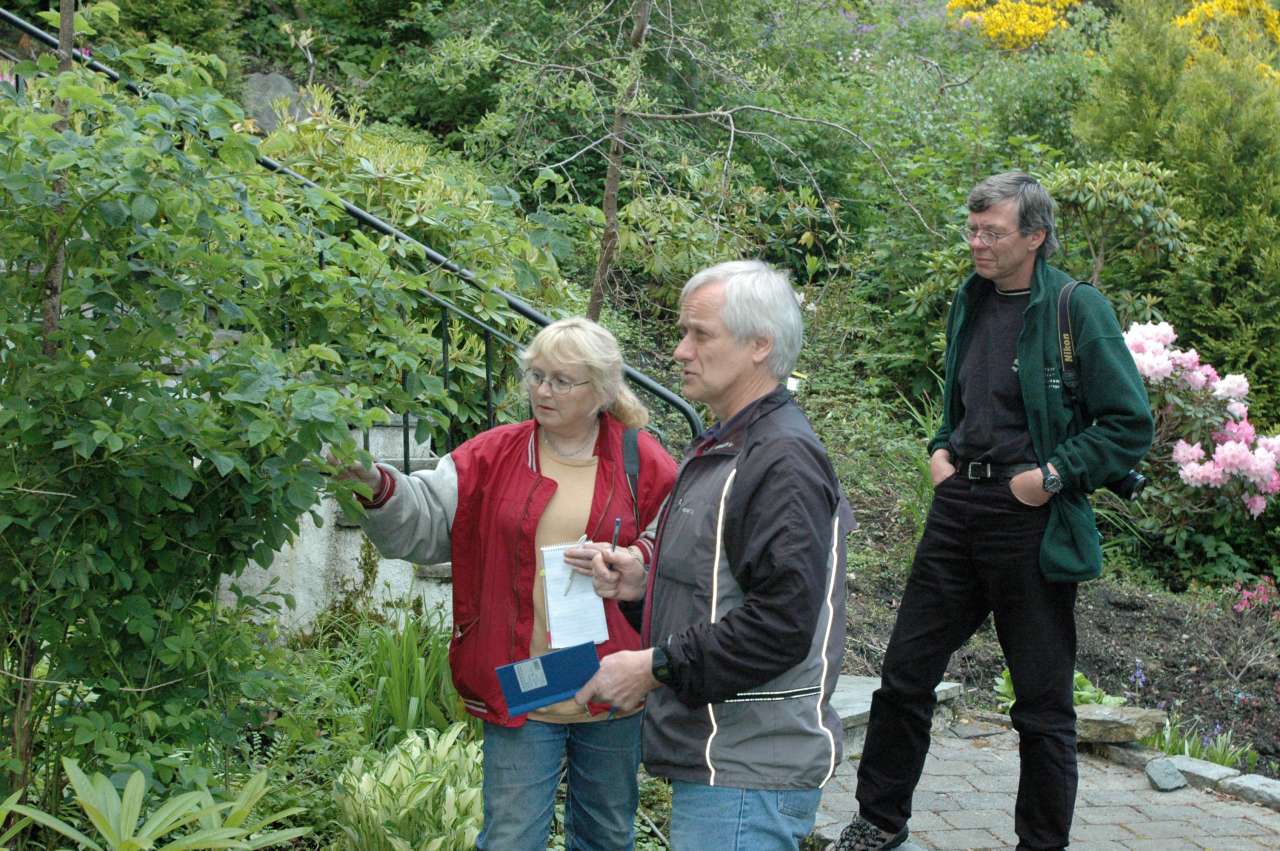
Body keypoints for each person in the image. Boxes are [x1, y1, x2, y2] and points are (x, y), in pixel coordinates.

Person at [835, 173, 1154, 851]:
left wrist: (1051, 476)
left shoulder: (1076, 306)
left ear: (1034, 236)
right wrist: (939, 449)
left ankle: (1041, 843)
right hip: (958, 508)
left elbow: (1128, 423)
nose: (977, 242)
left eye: (993, 232)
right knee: (904, 675)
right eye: (972, 229)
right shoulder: (972, 297)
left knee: (1041, 704)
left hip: (1029, 517)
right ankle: (881, 818)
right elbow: (961, 399)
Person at [334, 317, 677, 851]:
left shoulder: (640, 459)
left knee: (608, 836)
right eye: (536, 375)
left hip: (611, 684)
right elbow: (425, 523)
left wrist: (637, 558)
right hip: (528, 682)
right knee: (510, 838)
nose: (543, 390)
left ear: (601, 391)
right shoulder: (491, 456)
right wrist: (379, 486)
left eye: (562, 381)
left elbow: (680, 543)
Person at [571, 260, 854, 851]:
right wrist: (640, 586)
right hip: (723, 762)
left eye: (700, 334)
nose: (680, 351)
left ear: (759, 346)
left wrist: (653, 666)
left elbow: (781, 624)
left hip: (750, 770)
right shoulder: (727, 444)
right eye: (683, 332)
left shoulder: (782, 461)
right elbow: (723, 587)